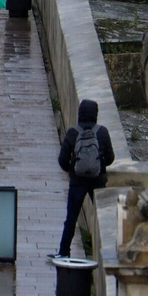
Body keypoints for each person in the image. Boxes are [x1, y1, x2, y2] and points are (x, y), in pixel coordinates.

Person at [56, 98, 116, 258]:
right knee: (104, 218)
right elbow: (110, 158)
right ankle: (109, 252)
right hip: (98, 181)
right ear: (95, 114)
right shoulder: (102, 132)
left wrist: (73, 170)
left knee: (71, 218)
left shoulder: (72, 133)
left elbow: (62, 161)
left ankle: (63, 252)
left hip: (77, 182)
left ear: (80, 113)